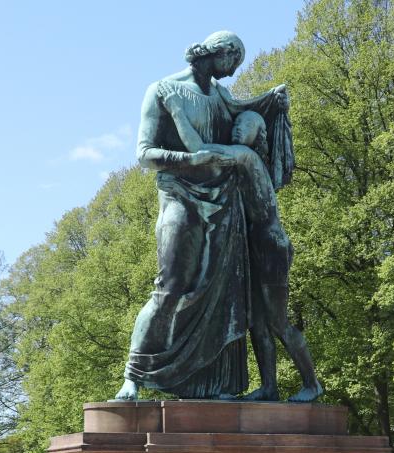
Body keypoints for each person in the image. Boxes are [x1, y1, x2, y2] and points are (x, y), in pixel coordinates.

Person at [113, 31, 294, 401]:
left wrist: (273, 101)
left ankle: (215, 386)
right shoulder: (162, 90)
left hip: (224, 202)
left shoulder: (221, 96)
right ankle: (133, 376)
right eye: (234, 61)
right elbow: (144, 152)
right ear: (221, 53)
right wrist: (188, 161)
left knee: (224, 291)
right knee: (169, 286)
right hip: (179, 194)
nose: (233, 71)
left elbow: (248, 115)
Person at [223, 111, 323, 402]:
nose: (239, 129)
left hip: (270, 247)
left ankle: (312, 383)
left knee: (278, 322)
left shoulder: (246, 157)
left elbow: (209, 155)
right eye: (237, 125)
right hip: (255, 248)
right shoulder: (242, 165)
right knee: (257, 322)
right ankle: (269, 387)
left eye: (246, 126)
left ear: (257, 135)